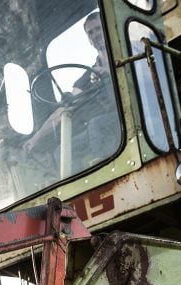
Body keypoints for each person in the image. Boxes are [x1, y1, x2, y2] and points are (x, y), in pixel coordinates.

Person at [22, 12, 119, 170]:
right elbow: (64, 109)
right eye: (90, 33)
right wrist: (36, 137)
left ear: (107, 28)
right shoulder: (88, 77)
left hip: (129, 116)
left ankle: (109, 170)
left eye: (98, 29)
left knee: (96, 124)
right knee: (61, 151)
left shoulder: (129, 51)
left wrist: (110, 73)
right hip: (107, 126)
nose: (95, 35)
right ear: (88, 39)